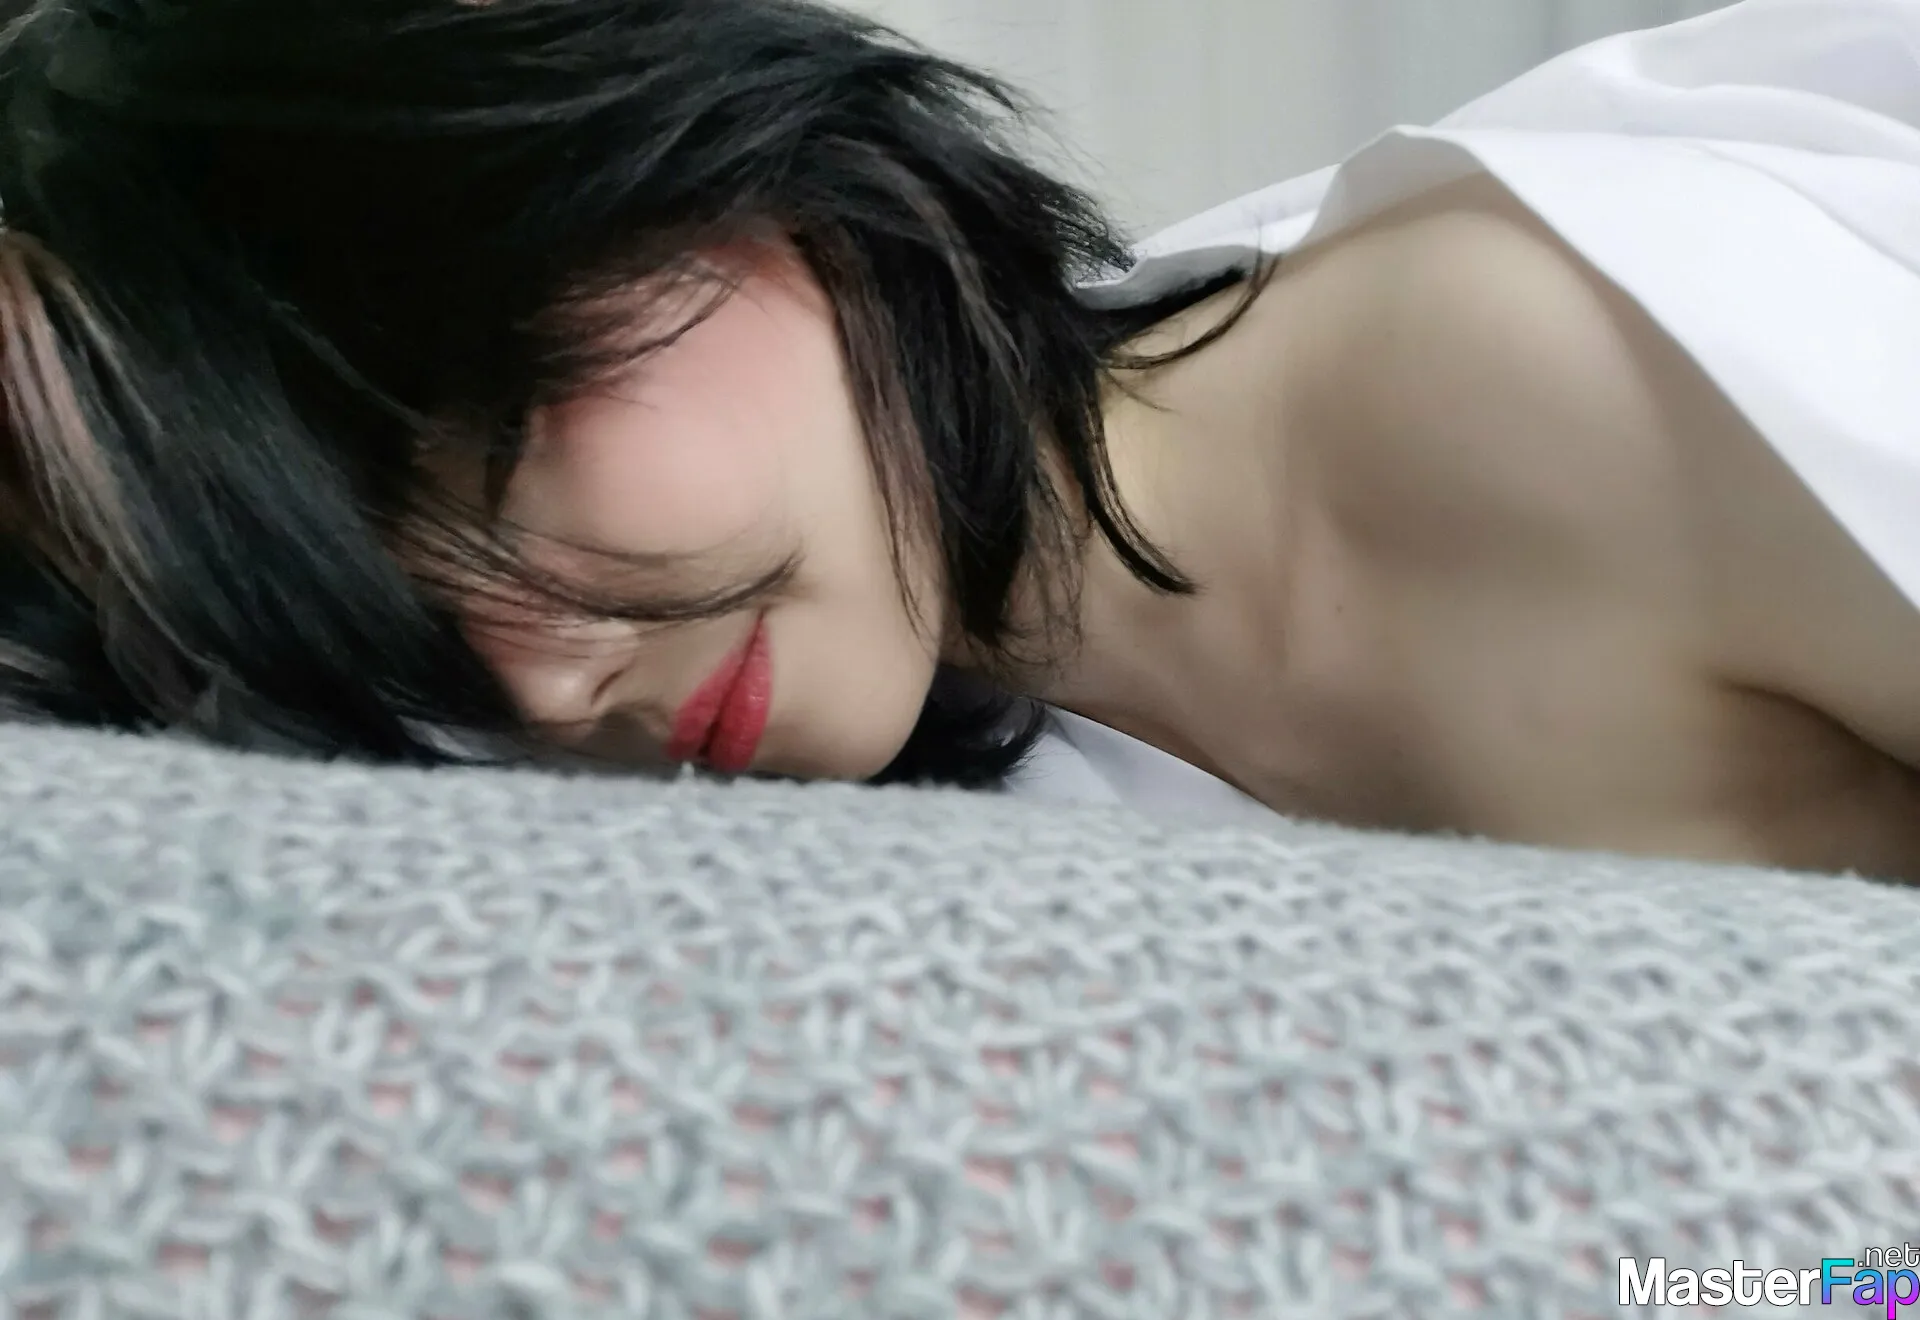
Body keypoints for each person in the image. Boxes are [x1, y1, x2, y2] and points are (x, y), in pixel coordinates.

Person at [2, 0, 1918, 880]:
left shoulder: (1531, 370)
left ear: (695, 168)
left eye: (493, 444)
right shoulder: (947, 837)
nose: (543, 677)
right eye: (402, 635)